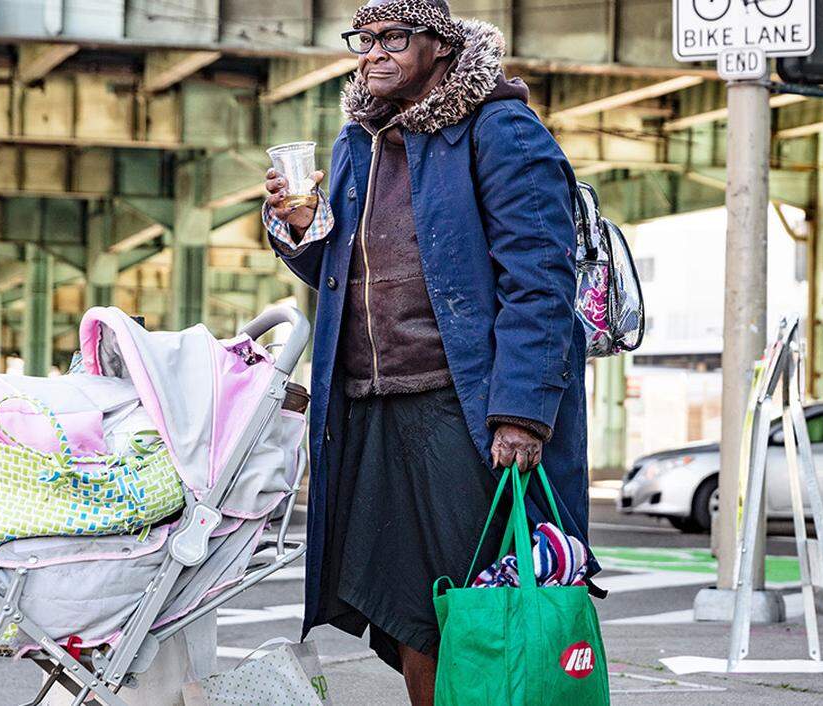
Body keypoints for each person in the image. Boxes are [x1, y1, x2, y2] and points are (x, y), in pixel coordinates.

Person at [260, 0, 591, 703]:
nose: (372, 52)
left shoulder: (501, 130)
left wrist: (522, 414)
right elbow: (340, 267)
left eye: (391, 38)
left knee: (476, 603)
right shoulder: (360, 141)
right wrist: (298, 226)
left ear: (440, 46)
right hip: (374, 407)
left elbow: (541, 278)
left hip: (461, 408)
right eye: (364, 39)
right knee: (411, 603)